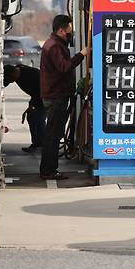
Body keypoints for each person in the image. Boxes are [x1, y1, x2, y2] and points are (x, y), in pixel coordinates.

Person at [39, 15, 89, 180]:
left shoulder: (55, 44)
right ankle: (48, 171)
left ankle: (49, 169)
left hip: (56, 95)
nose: (71, 33)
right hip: (56, 96)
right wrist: (81, 54)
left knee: (54, 134)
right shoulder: (54, 47)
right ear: (61, 30)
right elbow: (64, 67)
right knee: (53, 135)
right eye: (69, 30)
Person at [3, 64, 45, 153]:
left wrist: (32, 106)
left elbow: (39, 91)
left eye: (10, 79)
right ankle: (37, 143)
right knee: (32, 116)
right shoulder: (17, 74)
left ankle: (42, 144)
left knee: (38, 118)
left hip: (45, 96)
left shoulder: (31, 75)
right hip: (37, 97)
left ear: (13, 73)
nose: (11, 82)